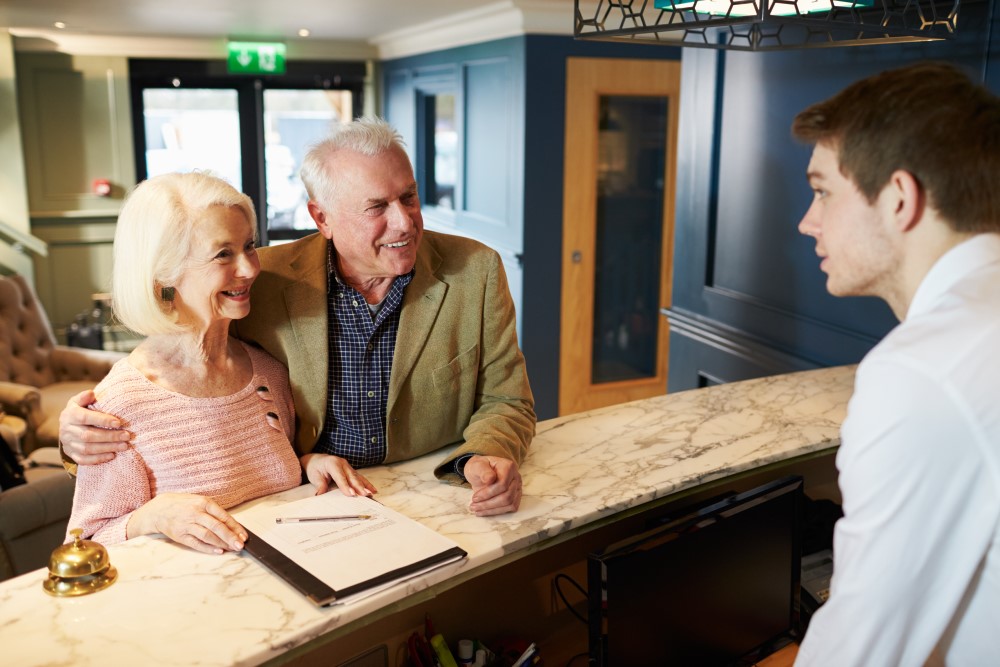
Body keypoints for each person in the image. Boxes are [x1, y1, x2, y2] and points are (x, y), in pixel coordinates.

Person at [60, 118, 535, 516]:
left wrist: (487, 452)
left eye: (408, 197)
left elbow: (506, 399)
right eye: (377, 208)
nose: (405, 222)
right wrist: (78, 436)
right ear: (321, 217)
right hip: (315, 506)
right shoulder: (259, 282)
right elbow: (178, 367)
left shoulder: (477, 271)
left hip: (434, 493)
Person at [791, 62, 1000, 666]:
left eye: (823, 190)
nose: (808, 220)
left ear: (900, 199)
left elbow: (858, 648)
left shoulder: (920, 374)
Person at [66, 172, 346, 554]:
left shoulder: (269, 372)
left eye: (249, 246)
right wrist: (150, 517)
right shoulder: (120, 404)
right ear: (163, 272)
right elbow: (84, 544)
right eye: (223, 253)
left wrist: (307, 465)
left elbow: (260, 482)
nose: (250, 268)